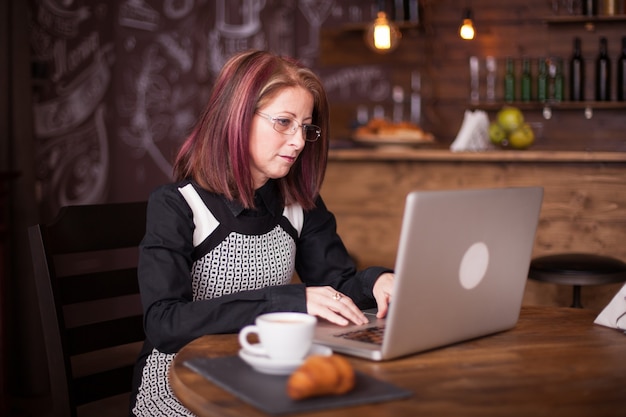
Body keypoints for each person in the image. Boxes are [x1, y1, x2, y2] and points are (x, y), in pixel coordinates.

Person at [130, 49, 395, 416]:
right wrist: (287, 300)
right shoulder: (178, 205)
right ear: (236, 119)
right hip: (180, 382)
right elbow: (165, 323)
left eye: (306, 127)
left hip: (265, 374)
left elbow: (337, 285)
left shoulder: (299, 203)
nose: (299, 141)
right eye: (284, 122)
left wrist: (376, 282)